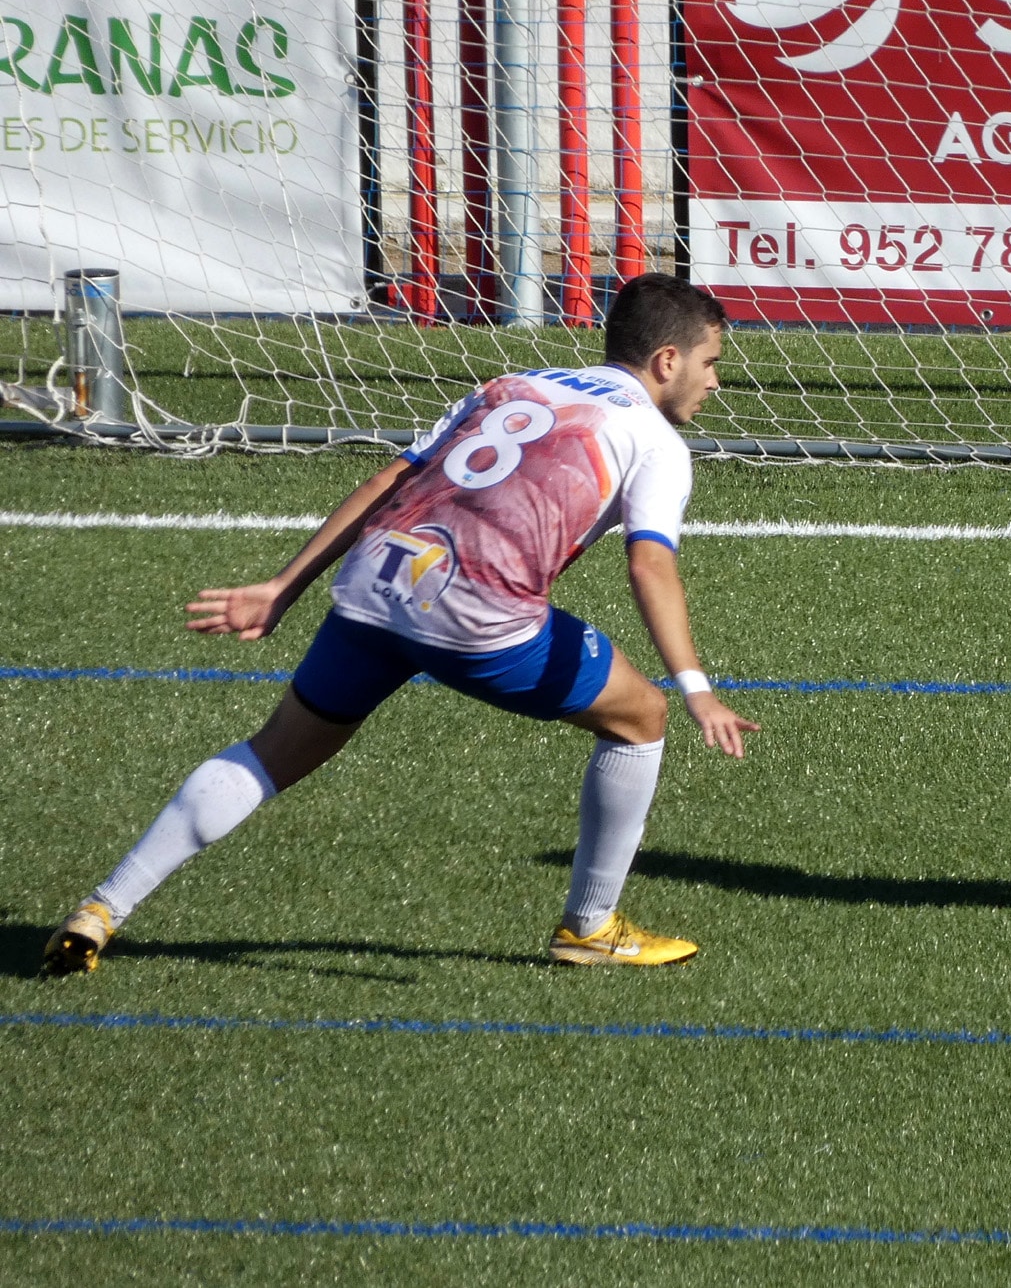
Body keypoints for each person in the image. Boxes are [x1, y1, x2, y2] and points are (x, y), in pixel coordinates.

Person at [43, 272, 758, 973]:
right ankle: (590, 927)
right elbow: (650, 567)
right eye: (710, 363)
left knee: (276, 750)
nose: (713, 382)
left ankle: (103, 907)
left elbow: (392, 480)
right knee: (641, 716)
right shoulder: (654, 442)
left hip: (377, 582)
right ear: (667, 361)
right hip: (480, 617)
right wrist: (696, 688)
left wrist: (282, 587)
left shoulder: (512, 384)